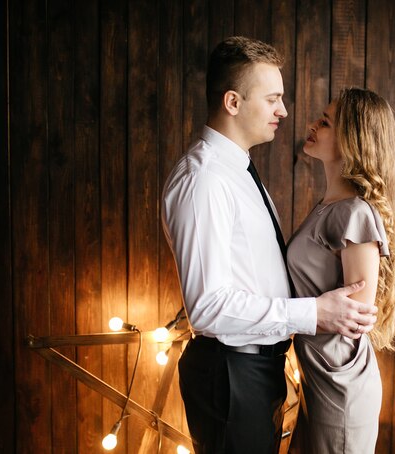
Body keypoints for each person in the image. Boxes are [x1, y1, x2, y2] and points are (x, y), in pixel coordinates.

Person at [161, 37, 378, 454]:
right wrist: (313, 313)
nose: (284, 110)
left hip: (255, 370)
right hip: (231, 374)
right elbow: (207, 307)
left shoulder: (238, 168)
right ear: (233, 102)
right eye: (273, 98)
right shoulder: (204, 180)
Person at [287, 87, 395, 453]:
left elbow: (354, 318)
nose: (312, 125)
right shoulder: (330, 206)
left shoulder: (354, 213)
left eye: (325, 122)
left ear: (352, 140)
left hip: (338, 381)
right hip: (317, 373)